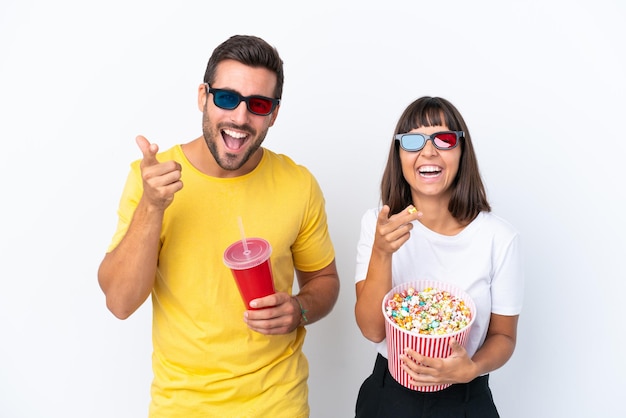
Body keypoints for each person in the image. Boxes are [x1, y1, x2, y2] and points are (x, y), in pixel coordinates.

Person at [97, 34, 340, 418]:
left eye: (258, 104)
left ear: (274, 113)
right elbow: (120, 303)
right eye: (227, 98)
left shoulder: (298, 184)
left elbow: (324, 282)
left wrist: (299, 309)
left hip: (279, 405)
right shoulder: (151, 181)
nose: (240, 118)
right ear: (203, 97)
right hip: (183, 407)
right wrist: (152, 205)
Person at [353, 96, 523, 417]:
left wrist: (471, 368)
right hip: (389, 397)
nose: (428, 151)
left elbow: (503, 336)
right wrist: (382, 252)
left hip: (466, 401)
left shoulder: (499, 238)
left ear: (462, 151)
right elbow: (373, 331)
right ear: (399, 154)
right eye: (413, 140)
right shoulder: (377, 225)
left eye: (443, 140)